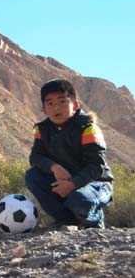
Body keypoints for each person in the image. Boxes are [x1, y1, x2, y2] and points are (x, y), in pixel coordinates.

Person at [25, 79, 113, 229]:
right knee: (33, 176)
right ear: (44, 109)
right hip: (65, 181)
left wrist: (73, 184)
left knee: (78, 199)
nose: (56, 108)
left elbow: (97, 166)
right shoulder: (43, 129)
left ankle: (94, 221)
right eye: (50, 104)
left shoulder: (87, 128)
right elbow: (36, 157)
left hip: (95, 184)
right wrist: (54, 167)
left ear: (75, 105)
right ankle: (67, 220)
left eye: (62, 102)